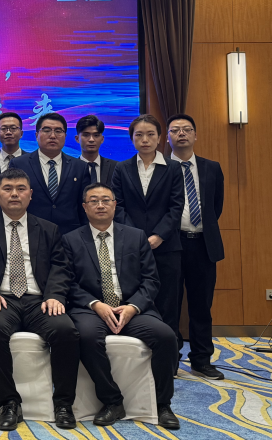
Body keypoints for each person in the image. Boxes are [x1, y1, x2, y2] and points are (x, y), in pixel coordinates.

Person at [62, 183, 180, 429]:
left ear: (115, 205)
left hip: (132, 308)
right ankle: (112, 401)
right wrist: (95, 304)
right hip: (92, 310)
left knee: (166, 336)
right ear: (84, 207)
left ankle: (162, 404)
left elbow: (151, 280)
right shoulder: (70, 240)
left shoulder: (136, 236)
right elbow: (68, 283)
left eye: (106, 200)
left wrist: (133, 307)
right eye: (94, 201)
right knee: (85, 336)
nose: (100, 205)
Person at [0, 168, 79, 431]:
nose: (14, 194)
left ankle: (63, 404)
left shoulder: (49, 229)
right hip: (1, 298)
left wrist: (54, 296)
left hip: (38, 300)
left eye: (20, 189)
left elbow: (61, 267)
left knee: (65, 330)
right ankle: (9, 403)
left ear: (30, 194)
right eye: (8, 189)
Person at [111, 114, 184, 368]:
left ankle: (170, 362)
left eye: (151, 134)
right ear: (131, 139)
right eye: (139, 135)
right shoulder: (122, 168)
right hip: (131, 248)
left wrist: (158, 235)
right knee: (134, 301)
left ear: (160, 137)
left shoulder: (173, 168)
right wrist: (138, 238)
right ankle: (138, 361)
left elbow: (176, 207)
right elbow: (118, 206)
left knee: (168, 302)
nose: (145, 139)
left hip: (167, 247)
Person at [167, 113, 225, 379]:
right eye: (175, 130)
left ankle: (202, 360)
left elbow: (215, 207)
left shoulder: (212, 167)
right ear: (167, 137)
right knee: (170, 305)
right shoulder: (160, 168)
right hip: (171, 244)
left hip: (203, 244)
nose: (181, 133)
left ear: (195, 135)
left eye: (187, 129)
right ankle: (171, 359)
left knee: (202, 306)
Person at [10, 113, 91, 234]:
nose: (53, 136)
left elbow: (85, 206)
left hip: (70, 235)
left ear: (65, 136)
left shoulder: (80, 167)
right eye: (47, 130)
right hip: (30, 233)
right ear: (37, 135)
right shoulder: (19, 164)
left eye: (58, 131)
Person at [0, 112, 27, 190]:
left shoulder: (33, 161)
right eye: (3, 129)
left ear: (21, 133)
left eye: (13, 128)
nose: (8, 132)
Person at [75, 115, 118, 186]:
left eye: (96, 135)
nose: (91, 140)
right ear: (77, 139)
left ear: (102, 139)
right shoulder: (70, 169)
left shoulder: (116, 167)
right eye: (86, 135)